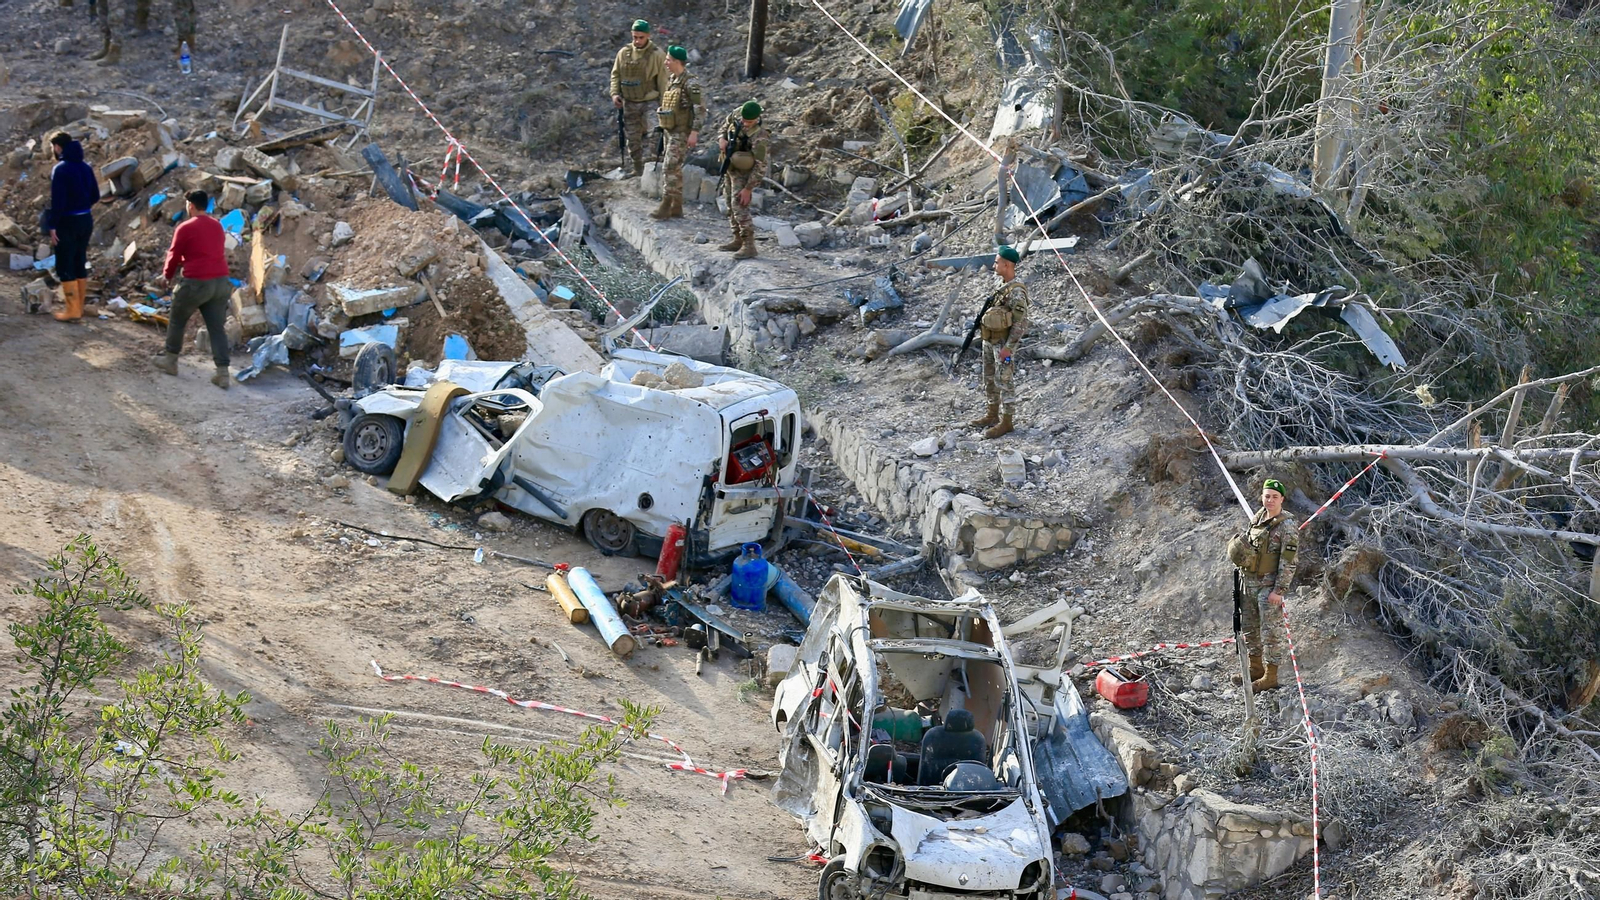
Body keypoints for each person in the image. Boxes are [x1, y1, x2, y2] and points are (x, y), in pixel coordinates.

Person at [1226, 479, 1300, 691]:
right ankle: (1255, 667)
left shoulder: (1287, 526)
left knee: (1270, 632)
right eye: (1267, 496)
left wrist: (1279, 590)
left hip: (1268, 586)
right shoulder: (1258, 517)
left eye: (1274, 497)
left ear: (1282, 499)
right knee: (1250, 628)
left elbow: (1289, 561)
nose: (1270, 500)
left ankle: (1271, 676)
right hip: (1248, 583)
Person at [153, 191, 232, 388]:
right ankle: (222, 373)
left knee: (177, 319)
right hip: (220, 282)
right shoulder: (217, 225)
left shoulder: (185, 227)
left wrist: (166, 276)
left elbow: (174, 254)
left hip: (196, 282)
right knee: (216, 328)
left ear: (190, 205)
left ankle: (170, 360)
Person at [968, 245, 1030, 438]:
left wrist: (1009, 348)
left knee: (1005, 380)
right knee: (989, 378)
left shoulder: (1016, 293)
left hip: (1003, 344)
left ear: (1007, 264)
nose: (994, 265)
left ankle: (1007, 422)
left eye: (997, 262)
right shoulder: (1001, 285)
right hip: (990, 340)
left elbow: (1020, 323)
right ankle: (992, 414)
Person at [46, 131, 98, 322]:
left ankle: (72, 310)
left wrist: (52, 224)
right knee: (79, 260)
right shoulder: (86, 167)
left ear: (58, 147)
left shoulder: (60, 169)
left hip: (67, 221)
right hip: (86, 219)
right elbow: (95, 195)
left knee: (65, 263)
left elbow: (57, 201)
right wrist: (82, 205)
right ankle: (80, 307)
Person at [651, 45, 705, 221]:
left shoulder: (691, 83)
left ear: (676, 61)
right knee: (675, 169)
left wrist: (694, 132)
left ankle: (666, 205)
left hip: (682, 132)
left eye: (668, 59)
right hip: (670, 130)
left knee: (669, 167)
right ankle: (677, 206)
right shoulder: (673, 79)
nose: (665, 62)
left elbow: (700, 109)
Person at [608, 19, 667, 178]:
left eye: (641, 37)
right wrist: (615, 94)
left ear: (648, 35)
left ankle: (656, 169)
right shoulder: (624, 53)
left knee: (655, 135)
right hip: (629, 102)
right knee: (632, 138)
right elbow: (616, 76)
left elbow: (663, 81)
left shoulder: (657, 55)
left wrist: (664, 105)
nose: (637, 41)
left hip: (650, 101)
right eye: (635, 37)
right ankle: (638, 169)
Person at [716, 100, 768, 260]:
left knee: (739, 206)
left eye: (749, 122)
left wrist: (748, 189)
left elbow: (761, 165)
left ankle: (749, 244)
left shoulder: (760, 136)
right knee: (730, 204)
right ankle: (737, 238)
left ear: (757, 118)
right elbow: (724, 127)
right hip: (730, 167)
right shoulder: (737, 114)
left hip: (745, 174)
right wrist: (721, 139)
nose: (745, 123)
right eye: (743, 120)